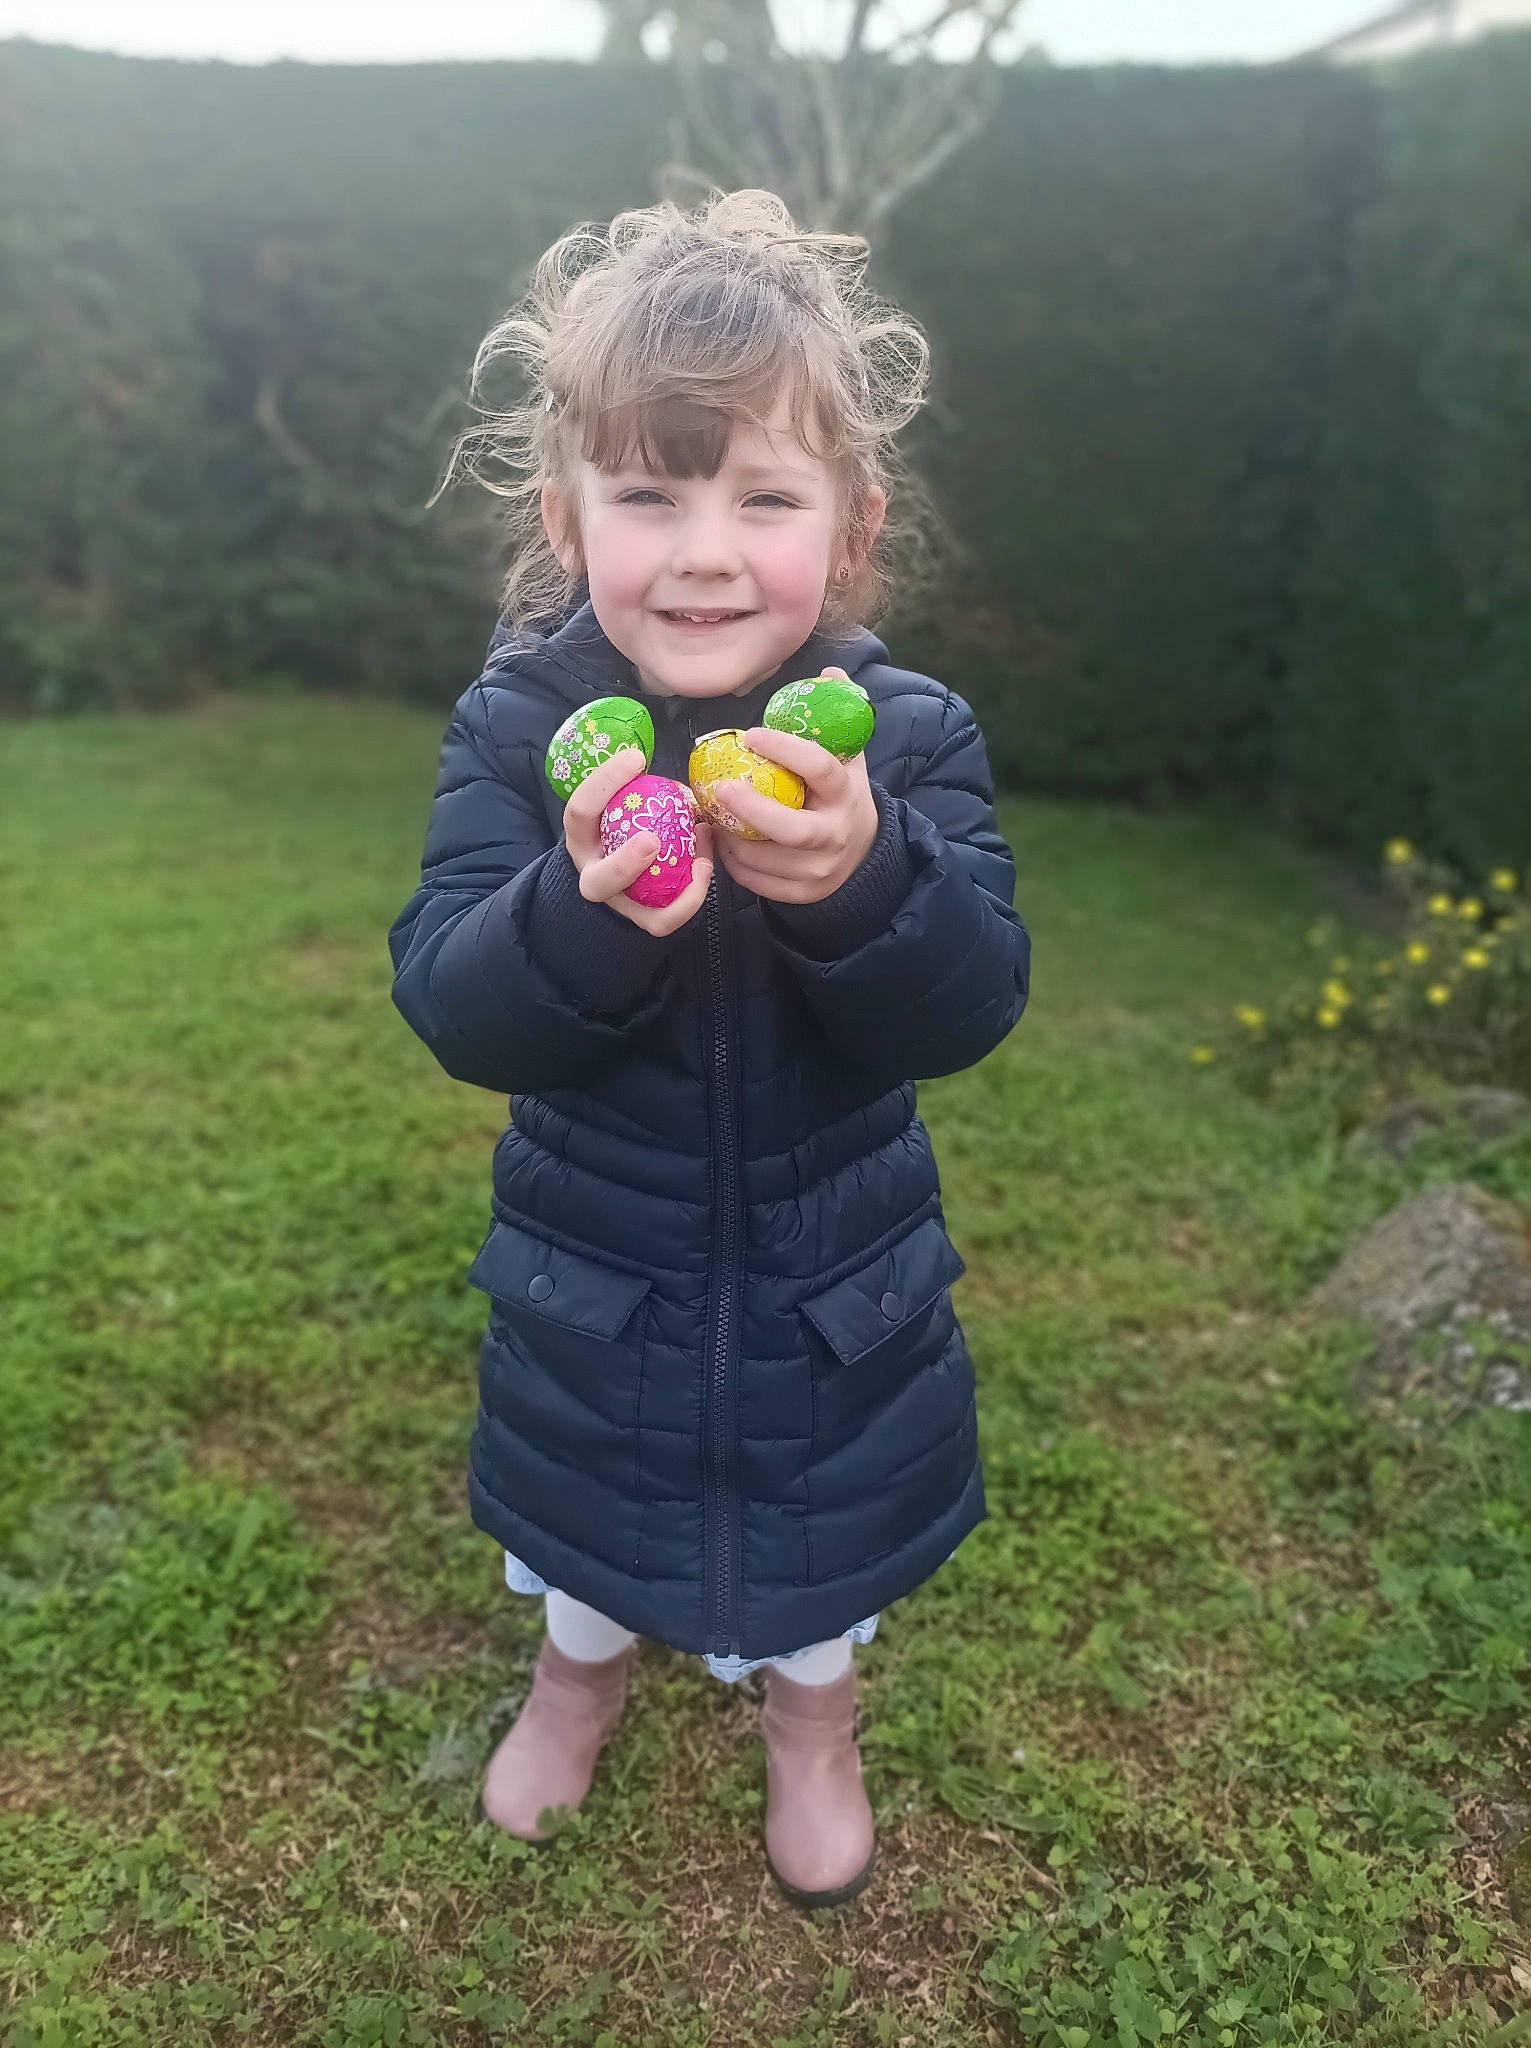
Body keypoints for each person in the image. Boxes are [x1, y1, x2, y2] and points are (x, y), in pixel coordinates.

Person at [387, 187, 1030, 1911]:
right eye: (649, 494)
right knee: (586, 1544)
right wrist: (582, 910)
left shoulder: (904, 741)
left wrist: (864, 881)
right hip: (602, 1286)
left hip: (841, 1293)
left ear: (855, 526)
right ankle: (572, 1682)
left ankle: (813, 1729)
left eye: (765, 496)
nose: (704, 552)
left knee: (823, 1573)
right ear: (565, 512)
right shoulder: (523, 731)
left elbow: (969, 1002)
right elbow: (453, 998)